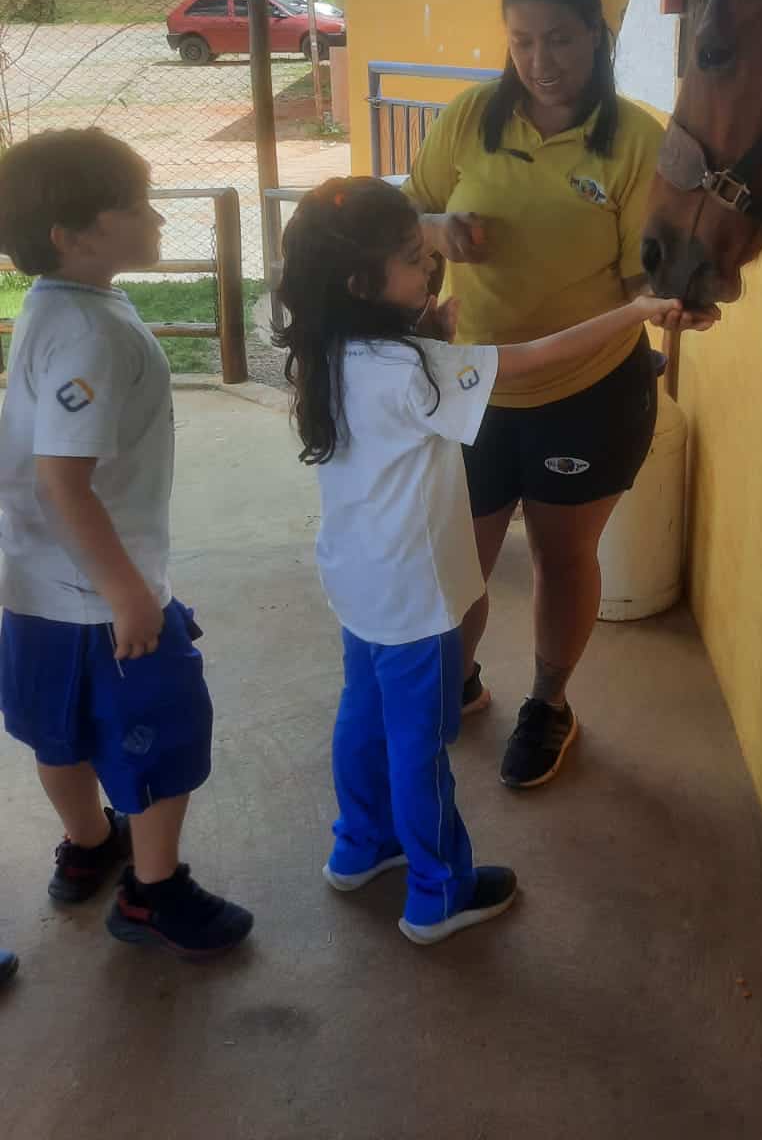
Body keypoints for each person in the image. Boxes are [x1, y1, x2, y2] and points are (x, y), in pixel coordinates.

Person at [275, 177, 709, 943]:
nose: (429, 266)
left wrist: (427, 329)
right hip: (416, 594)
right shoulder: (418, 372)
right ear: (362, 285)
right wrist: (638, 312)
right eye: (412, 258)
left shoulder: (323, 346)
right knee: (420, 745)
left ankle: (360, 845)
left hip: (357, 579)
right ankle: (438, 893)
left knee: (363, 714)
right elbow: (535, 357)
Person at [408, 0, 700, 790]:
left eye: (561, 39)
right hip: (470, 388)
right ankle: (457, 682)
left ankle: (549, 703)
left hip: (586, 391)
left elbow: (646, 279)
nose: (541, 62)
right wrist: (436, 233)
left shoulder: (635, 142)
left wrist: (675, 302)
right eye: (523, 40)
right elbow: (411, 212)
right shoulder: (470, 117)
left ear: (597, 34)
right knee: (459, 555)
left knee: (562, 558)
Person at [0, 130, 253, 958]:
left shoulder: (53, 304)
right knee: (165, 730)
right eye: (135, 206)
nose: (156, 217)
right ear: (73, 236)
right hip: (98, 593)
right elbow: (63, 480)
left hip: (37, 584)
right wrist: (129, 594)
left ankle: (88, 843)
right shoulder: (93, 335)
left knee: (56, 730)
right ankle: (153, 892)